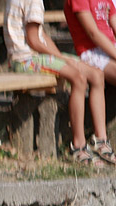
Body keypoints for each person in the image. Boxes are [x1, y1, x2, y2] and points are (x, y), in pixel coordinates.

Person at [7, 0, 113, 165]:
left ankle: (101, 141)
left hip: (32, 56)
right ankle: (79, 146)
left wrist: (61, 57)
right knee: (78, 78)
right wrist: (61, 59)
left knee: (96, 75)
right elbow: (34, 40)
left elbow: (41, 35)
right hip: (25, 59)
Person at [64, 0, 116, 158]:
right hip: (91, 51)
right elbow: (93, 33)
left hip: (110, 48)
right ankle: (100, 141)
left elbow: (114, 23)